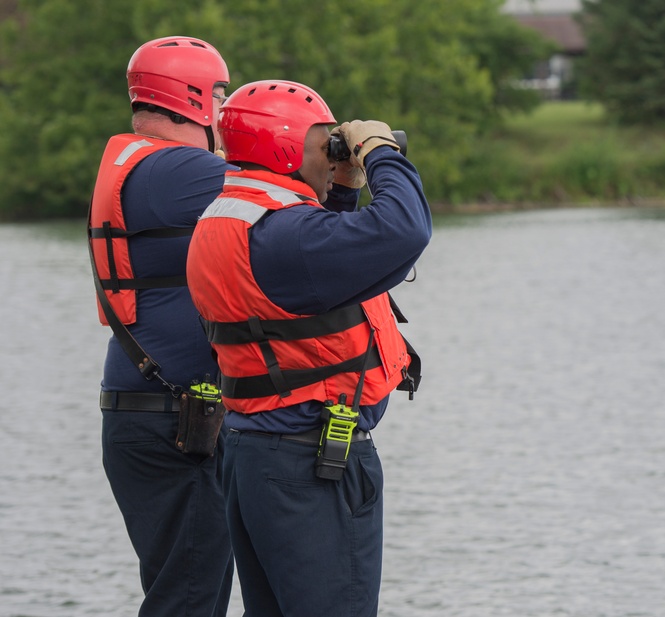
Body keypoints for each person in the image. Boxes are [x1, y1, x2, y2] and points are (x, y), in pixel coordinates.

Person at [185, 79, 431, 617]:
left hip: (257, 459)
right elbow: (406, 228)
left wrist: (343, 186)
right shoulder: (286, 235)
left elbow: (319, 274)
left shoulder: (235, 217)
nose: (332, 152)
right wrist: (381, 153)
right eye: (326, 142)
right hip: (312, 467)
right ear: (286, 146)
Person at [87, 36, 235, 617]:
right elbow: (294, 205)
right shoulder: (181, 169)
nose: (225, 114)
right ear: (193, 98)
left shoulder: (139, 162)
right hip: (173, 423)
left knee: (181, 592)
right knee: (191, 599)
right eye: (221, 96)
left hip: (145, 411)